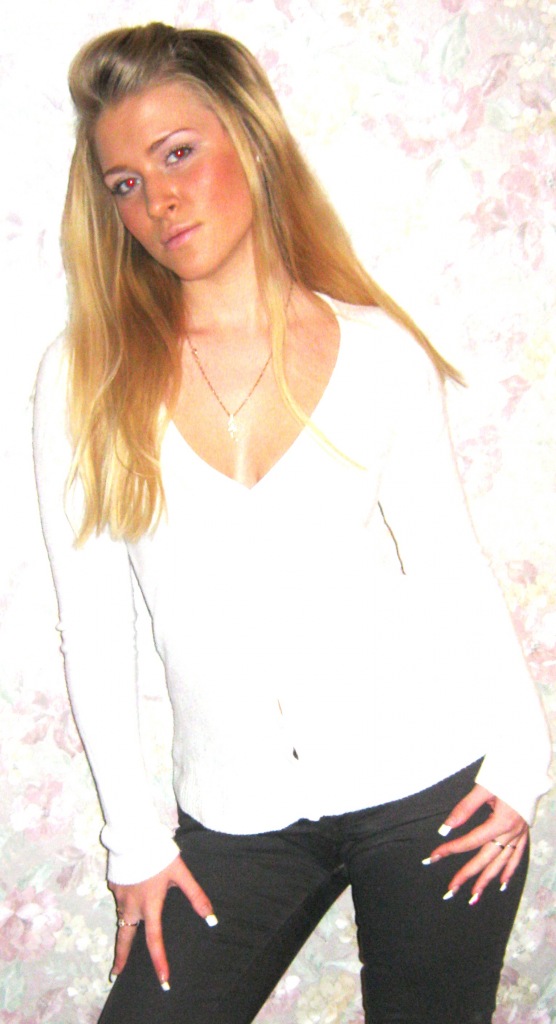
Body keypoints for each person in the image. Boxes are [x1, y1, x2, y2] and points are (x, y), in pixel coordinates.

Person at [33, 22, 551, 1024]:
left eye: (178, 153)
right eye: (124, 182)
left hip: (430, 791)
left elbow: (449, 568)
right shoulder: (87, 376)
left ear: (253, 142)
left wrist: (522, 761)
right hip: (234, 821)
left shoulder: (378, 353)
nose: (156, 199)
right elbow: (94, 629)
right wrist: (134, 841)